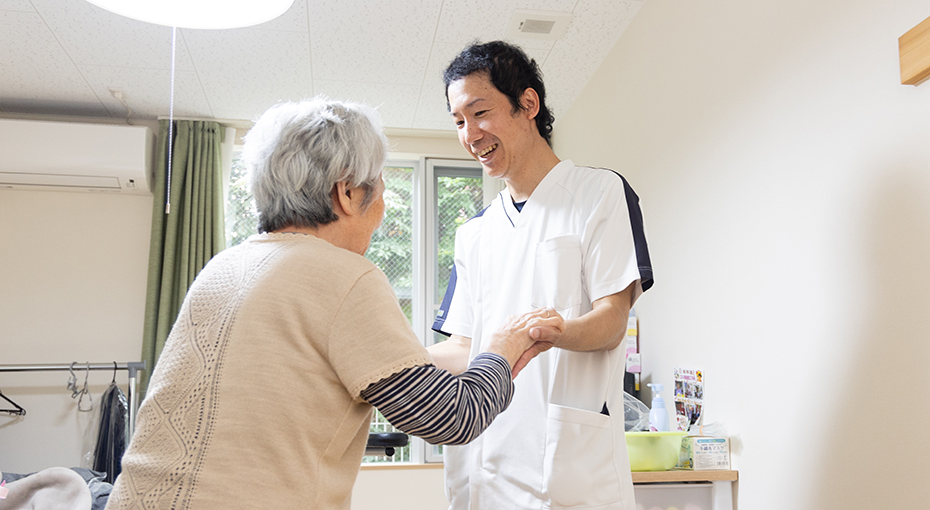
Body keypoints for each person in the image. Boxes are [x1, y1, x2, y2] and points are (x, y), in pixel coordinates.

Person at [105, 97, 561, 510]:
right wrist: (502, 345)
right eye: (379, 186)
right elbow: (453, 417)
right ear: (346, 193)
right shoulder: (344, 275)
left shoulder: (222, 268)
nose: (380, 205)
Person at [427, 41, 655, 509]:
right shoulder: (474, 233)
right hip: (484, 468)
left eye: (480, 112)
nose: (470, 134)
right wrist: (384, 359)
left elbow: (612, 320)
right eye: (458, 122)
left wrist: (556, 332)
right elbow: (463, 345)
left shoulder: (599, 194)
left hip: (565, 470)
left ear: (527, 104)